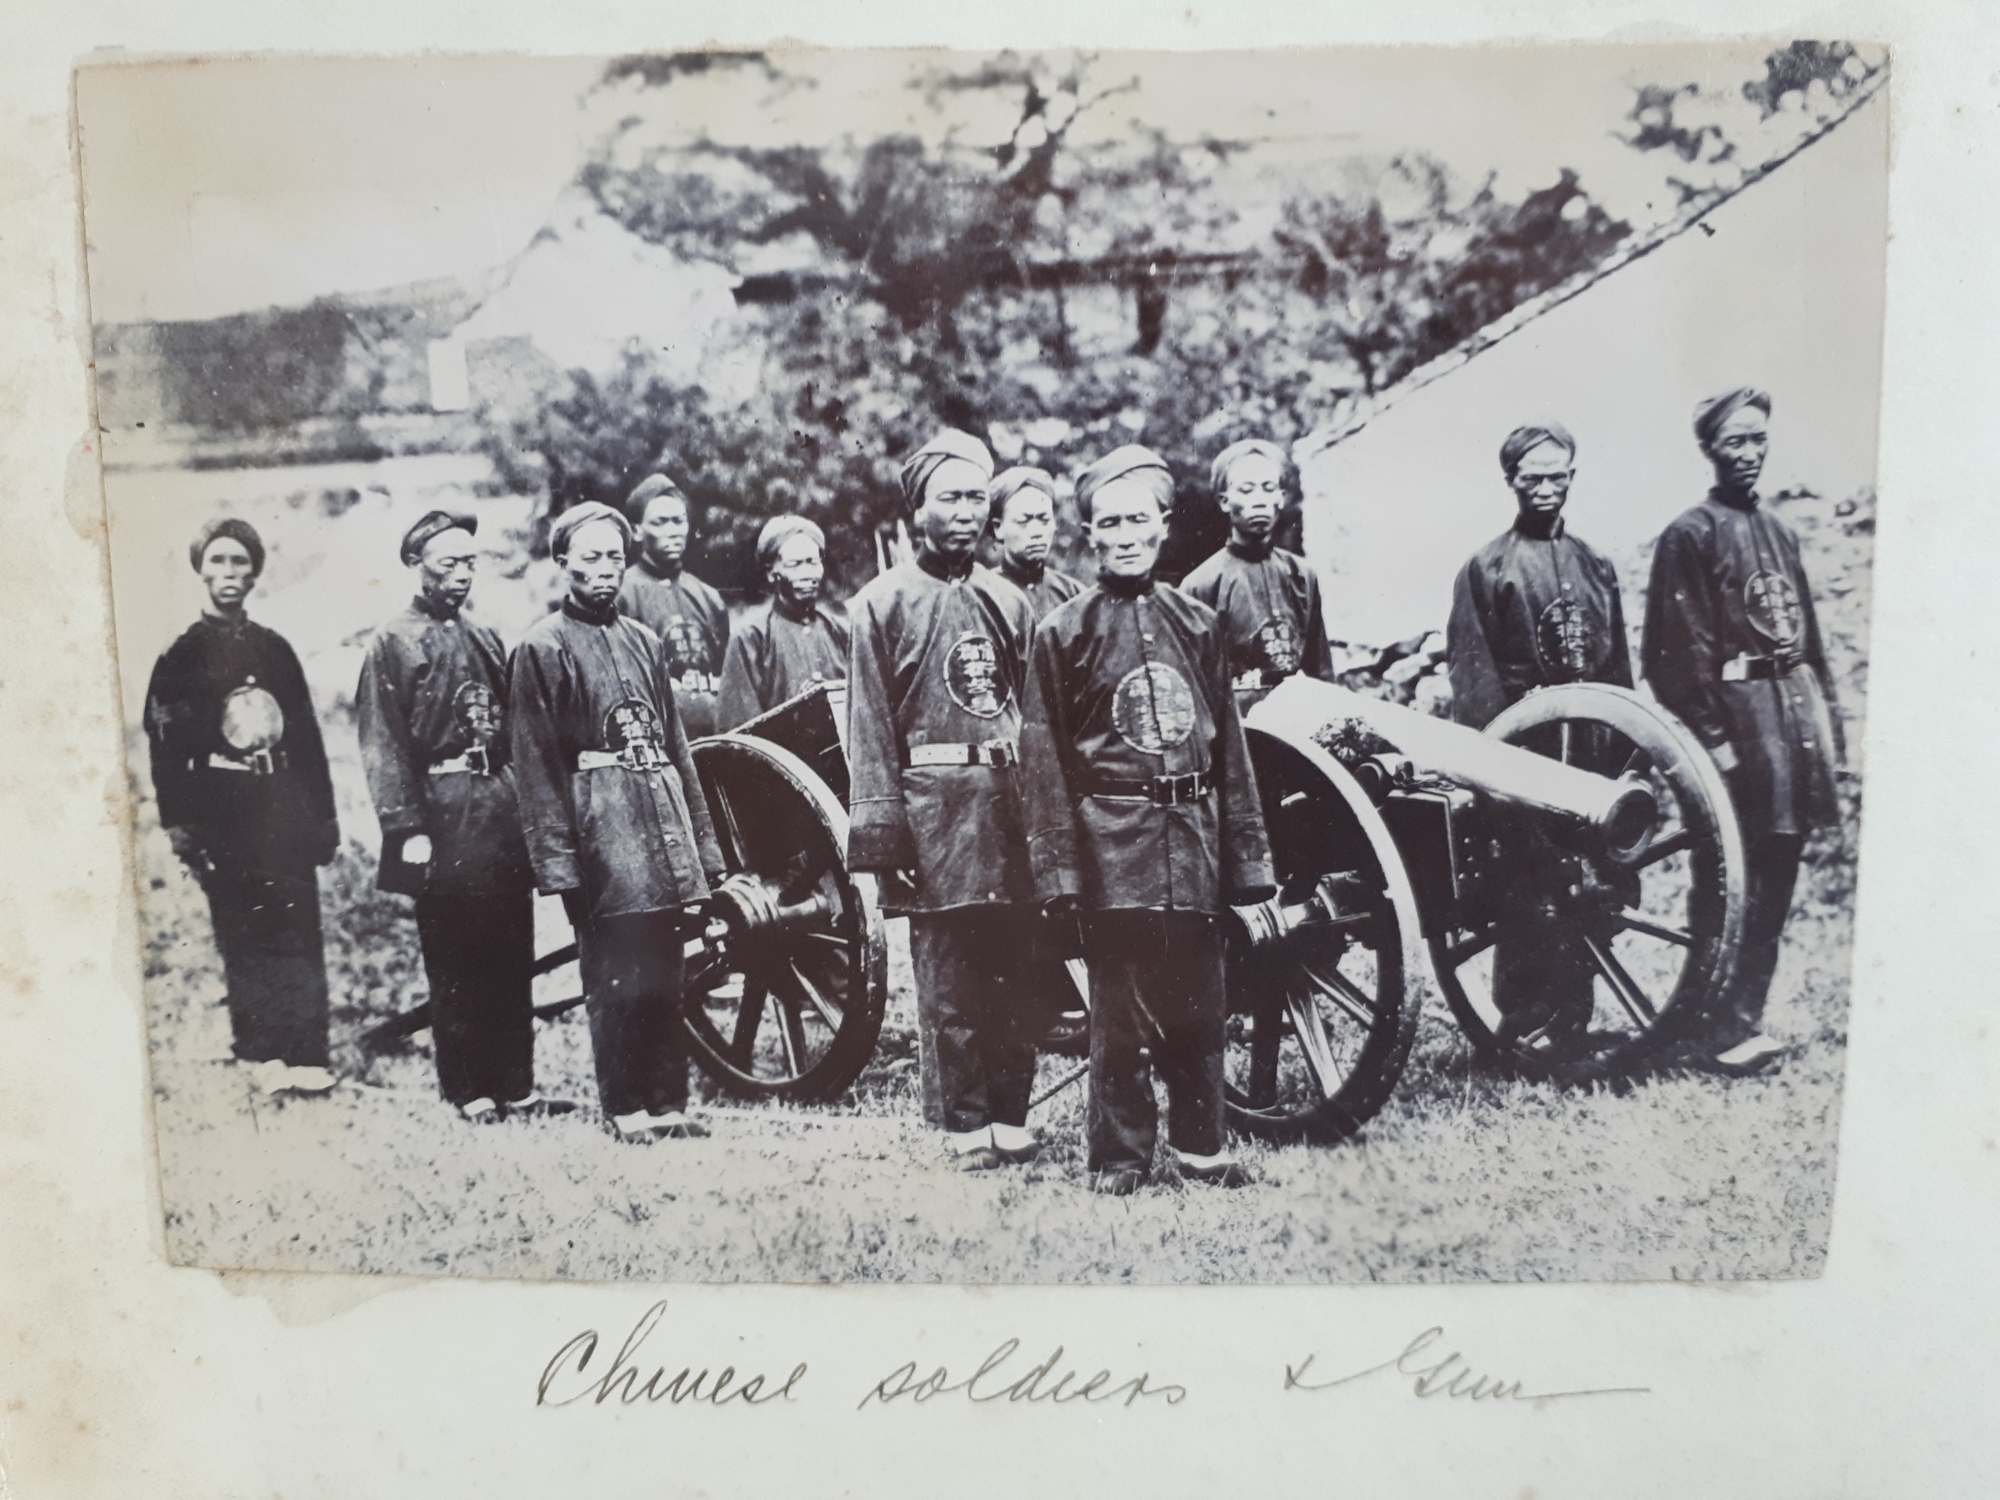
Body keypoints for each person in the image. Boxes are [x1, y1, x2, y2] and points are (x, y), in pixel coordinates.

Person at [1020, 445, 1277, 1195]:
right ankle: (1121, 1158)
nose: (1126, 535)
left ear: (1163, 527)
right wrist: (1062, 872)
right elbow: (1044, 761)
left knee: (1202, 1003)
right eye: (1109, 523)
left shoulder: (1199, 626)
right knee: (1120, 1016)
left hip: (1191, 843)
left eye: (1139, 520)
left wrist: (1248, 861)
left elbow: (1230, 747)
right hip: (1113, 847)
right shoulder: (1061, 634)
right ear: (1089, 534)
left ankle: (1203, 1146)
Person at [846, 428, 1041, 1171]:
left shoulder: (1008, 600)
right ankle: (964, 1124)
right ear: (915, 508)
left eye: (976, 498)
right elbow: (868, 730)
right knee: (952, 981)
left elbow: (1034, 716)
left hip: (1008, 806)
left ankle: (1010, 1116)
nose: (965, 512)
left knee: (1016, 968)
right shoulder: (881, 603)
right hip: (935, 815)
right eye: (949, 498)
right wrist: (884, 842)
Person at [509, 501, 727, 1140]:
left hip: (658, 821)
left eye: (613, 556)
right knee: (615, 976)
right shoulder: (540, 648)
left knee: (665, 971)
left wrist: (702, 849)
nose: (604, 570)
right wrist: (559, 863)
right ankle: (627, 1108)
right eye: (590, 557)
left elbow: (678, 750)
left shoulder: (644, 641)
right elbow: (536, 763)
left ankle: (669, 1104)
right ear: (563, 563)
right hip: (602, 832)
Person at [1643, 388, 1843, 1077]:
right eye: (1735, 442)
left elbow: (1809, 644)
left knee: (1778, 877)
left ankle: (1743, 1021)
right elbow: (1673, 655)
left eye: (1759, 439)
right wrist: (1716, 741)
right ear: (1709, 449)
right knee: (1730, 880)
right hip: (1737, 730)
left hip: (1789, 723)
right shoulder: (1690, 534)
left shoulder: (1781, 531)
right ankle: (1701, 1027)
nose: (1750, 454)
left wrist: (1826, 736)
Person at [356, 509, 572, 1124]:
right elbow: (384, 743)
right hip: (442, 816)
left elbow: (514, 731)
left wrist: (527, 808)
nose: (461, 575)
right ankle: (469, 1089)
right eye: (447, 563)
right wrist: (407, 829)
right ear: (415, 565)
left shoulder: (484, 636)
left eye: (469, 562)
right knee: (456, 961)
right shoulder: (391, 642)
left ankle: (517, 1085)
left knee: (512, 952)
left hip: (498, 811)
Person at [1445, 422, 1634, 1055]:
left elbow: (1619, 673)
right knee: (1528, 885)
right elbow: (1475, 681)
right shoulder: (1487, 567)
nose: (1547, 488)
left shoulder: (1595, 565)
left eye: (1559, 476)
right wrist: (1500, 767)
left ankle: (1572, 1019)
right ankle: (1522, 1021)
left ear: (1573, 477)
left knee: (1587, 882)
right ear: (1511, 482)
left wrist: (1625, 760)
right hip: (1524, 753)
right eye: (1534, 478)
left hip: (1589, 753)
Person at [145, 517, 339, 1097]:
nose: (229, 574)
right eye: (218, 562)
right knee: (244, 928)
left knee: (297, 925)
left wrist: (323, 819)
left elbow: (306, 739)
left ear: (255, 571)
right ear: (201, 570)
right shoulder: (182, 654)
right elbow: (164, 747)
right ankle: (263, 1055)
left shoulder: (275, 649)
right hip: (223, 811)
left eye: (239, 563)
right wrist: (181, 825)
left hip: (281, 806)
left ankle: (308, 1053)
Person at [1180, 437, 1335, 715]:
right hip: (1238, 724)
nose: (1259, 501)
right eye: (1247, 490)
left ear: (1281, 498)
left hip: (1300, 717)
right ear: (1225, 502)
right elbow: (1193, 683)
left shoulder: (1301, 574)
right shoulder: (1201, 584)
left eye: (1268, 489)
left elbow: (1320, 668)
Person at [617, 473, 730, 740]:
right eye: (660, 522)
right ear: (637, 531)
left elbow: (724, 678)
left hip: (710, 740)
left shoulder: (708, 596)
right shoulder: (622, 594)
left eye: (679, 521)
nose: (673, 531)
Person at [717, 515, 850, 729]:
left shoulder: (841, 632)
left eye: (813, 562)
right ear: (772, 573)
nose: (807, 574)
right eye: (795, 564)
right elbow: (740, 731)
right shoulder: (751, 639)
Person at [990, 465, 1084, 621]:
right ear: (998, 528)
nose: (1036, 532)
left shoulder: (1073, 594)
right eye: (1023, 522)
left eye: (1044, 520)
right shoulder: (985, 593)